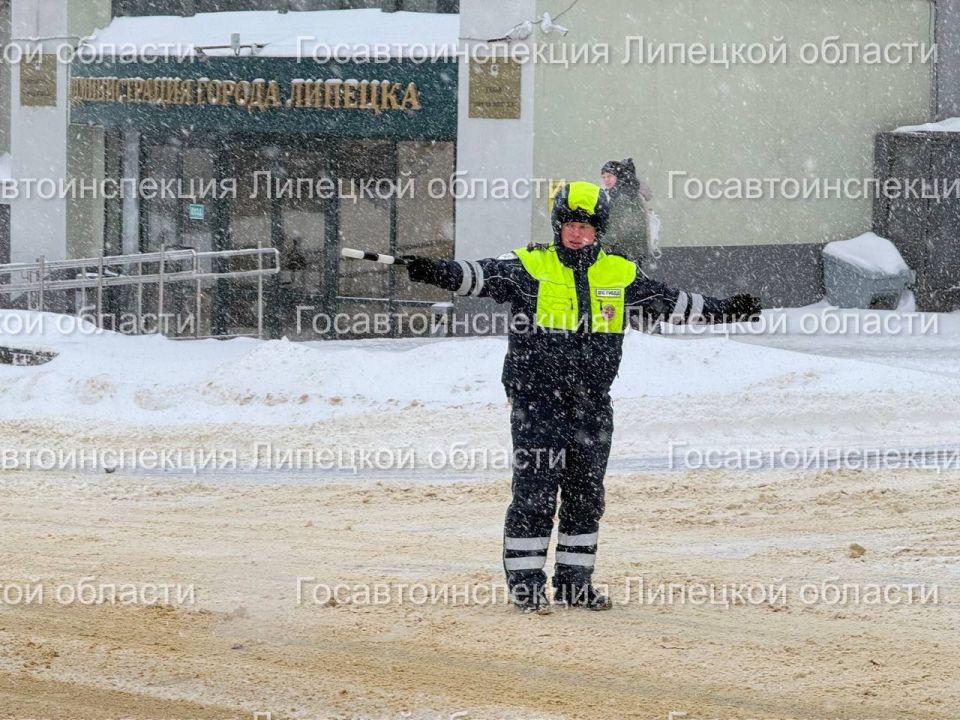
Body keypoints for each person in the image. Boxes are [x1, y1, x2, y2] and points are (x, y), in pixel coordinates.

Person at [402, 181, 761, 613]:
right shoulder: (530, 264)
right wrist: (436, 271)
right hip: (537, 404)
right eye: (570, 223)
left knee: (586, 497)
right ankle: (526, 587)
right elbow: (478, 275)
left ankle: (575, 584)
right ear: (558, 225)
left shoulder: (620, 273)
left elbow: (673, 303)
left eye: (586, 226)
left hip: (591, 405)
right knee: (534, 496)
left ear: (598, 230)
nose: (577, 232)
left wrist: (726, 309)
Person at [601, 158, 652, 269]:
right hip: (633, 251)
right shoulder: (628, 192)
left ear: (618, 176)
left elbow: (618, 227)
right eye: (603, 177)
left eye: (609, 176)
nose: (606, 180)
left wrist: (601, 245)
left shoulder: (622, 196)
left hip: (623, 252)